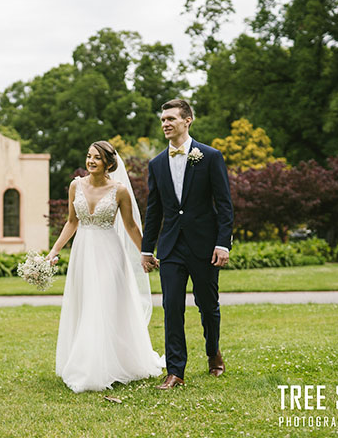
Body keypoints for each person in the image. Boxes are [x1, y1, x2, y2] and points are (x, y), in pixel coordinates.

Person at [48, 141, 165, 393]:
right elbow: (71, 222)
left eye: (97, 158)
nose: (90, 161)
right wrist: (54, 250)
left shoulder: (119, 190)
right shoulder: (75, 185)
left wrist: (145, 253)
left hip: (109, 253)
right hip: (82, 253)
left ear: (108, 163)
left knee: (104, 304)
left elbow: (131, 226)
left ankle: (107, 365)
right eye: (88, 156)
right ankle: (86, 363)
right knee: (86, 304)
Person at [141, 99, 233, 390]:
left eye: (171, 118)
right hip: (171, 248)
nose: (165, 123)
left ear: (187, 120)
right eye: (162, 120)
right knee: (172, 308)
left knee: (208, 306)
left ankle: (213, 353)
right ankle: (175, 371)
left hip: (205, 246)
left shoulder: (210, 156)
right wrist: (146, 249)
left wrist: (223, 243)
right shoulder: (156, 164)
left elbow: (225, 206)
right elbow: (154, 210)